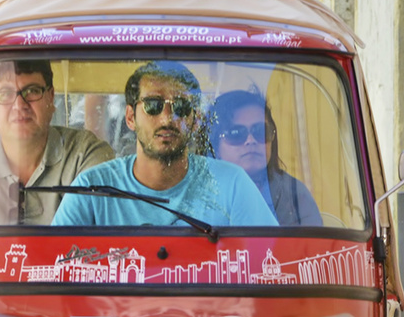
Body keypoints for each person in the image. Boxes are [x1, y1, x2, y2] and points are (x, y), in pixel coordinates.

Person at [52, 61, 277, 229]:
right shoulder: (92, 189)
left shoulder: (232, 184)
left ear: (195, 120)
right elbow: (55, 268)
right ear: (130, 117)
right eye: (153, 105)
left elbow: (271, 262)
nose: (167, 119)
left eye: (180, 107)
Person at [0, 59, 114, 226]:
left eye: (31, 91)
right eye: (6, 94)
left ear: (51, 98)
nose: (19, 105)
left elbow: (100, 239)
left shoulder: (85, 155)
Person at [204, 90, 324, 227]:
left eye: (261, 131)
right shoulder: (195, 195)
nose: (250, 140)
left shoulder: (294, 193)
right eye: (236, 133)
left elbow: (311, 247)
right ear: (214, 147)